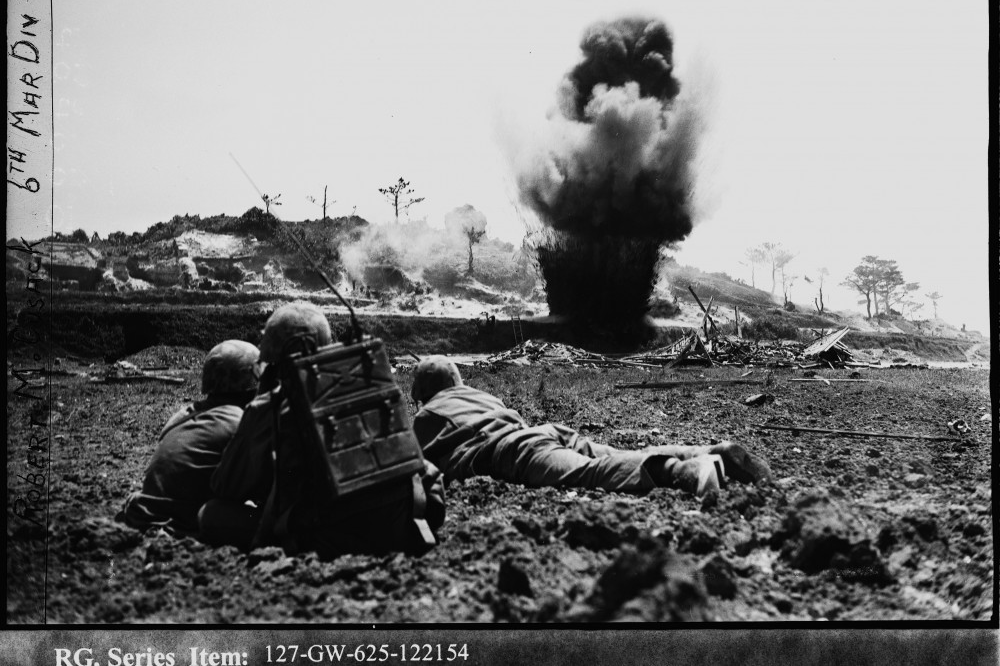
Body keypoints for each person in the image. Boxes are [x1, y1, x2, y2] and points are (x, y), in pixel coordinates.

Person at [200, 301, 445, 555]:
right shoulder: (370, 384)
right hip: (403, 525)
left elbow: (226, 486)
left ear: (273, 359)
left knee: (212, 514)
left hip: (328, 539)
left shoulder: (269, 407)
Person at [410, 355, 772, 498]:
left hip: (511, 451)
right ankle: (706, 452)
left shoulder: (425, 417)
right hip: (544, 433)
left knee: (588, 474)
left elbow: (413, 468)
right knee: (615, 454)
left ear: (423, 393)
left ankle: (682, 470)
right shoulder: (482, 396)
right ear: (457, 379)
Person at [117, 340, 261, 536]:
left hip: (142, 515)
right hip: (183, 525)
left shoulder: (181, 416)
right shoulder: (239, 422)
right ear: (252, 385)